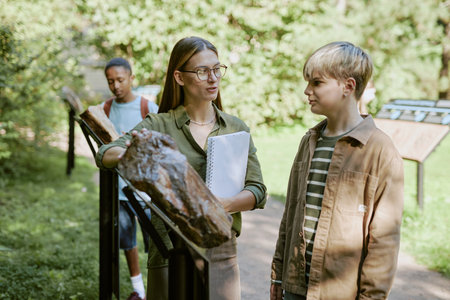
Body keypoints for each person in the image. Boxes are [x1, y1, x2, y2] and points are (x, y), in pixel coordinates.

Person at [96, 37, 267, 300]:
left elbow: (257, 190)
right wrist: (131, 154)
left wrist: (224, 205)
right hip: (168, 250)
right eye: (202, 71)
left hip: (220, 250)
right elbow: (105, 153)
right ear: (179, 77)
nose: (213, 78)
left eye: (216, 69)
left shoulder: (236, 128)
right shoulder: (158, 124)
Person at [270, 42, 404, 300]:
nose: (307, 90)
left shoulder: (380, 151)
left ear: (348, 86)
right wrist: (278, 274)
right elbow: (290, 215)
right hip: (295, 288)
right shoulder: (309, 141)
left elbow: (384, 240)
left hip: (341, 293)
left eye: (317, 83)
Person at [103, 57, 159, 300]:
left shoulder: (149, 108)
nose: (116, 86)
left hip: (147, 192)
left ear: (131, 78)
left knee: (155, 244)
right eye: (110, 81)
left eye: (120, 80)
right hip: (118, 190)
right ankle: (139, 291)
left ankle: (158, 288)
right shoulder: (104, 110)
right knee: (127, 243)